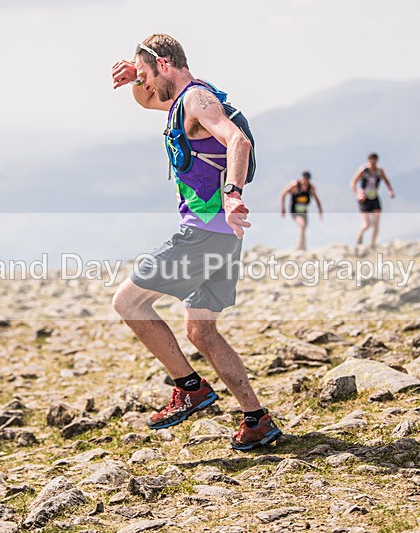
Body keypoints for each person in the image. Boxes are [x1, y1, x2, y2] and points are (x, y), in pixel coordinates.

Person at [110, 34, 281, 451]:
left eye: (148, 75)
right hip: (223, 238)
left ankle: (189, 387)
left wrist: (233, 191)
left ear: (165, 64)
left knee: (128, 302)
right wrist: (135, 77)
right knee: (202, 332)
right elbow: (145, 101)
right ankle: (256, 419)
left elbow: (237, 140)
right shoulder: (180, 98)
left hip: (204, 232)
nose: (145, 86)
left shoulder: (195, 100)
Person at [350, 152, 395, 250]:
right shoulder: (363, 170)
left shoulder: (379, 171)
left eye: (374, 162)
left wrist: (390, 190)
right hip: (364, 198)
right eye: (371, 162)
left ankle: (373, 244)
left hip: (374, 197)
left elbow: (386, 181)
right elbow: (353, 183)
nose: (373, 164)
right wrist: (358, 193)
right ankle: (360, 235)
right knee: (367, 224)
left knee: (376, 223)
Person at [280, 171, 323, 251]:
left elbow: (316, 199)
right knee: (302, 225)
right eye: (304, 180)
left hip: (304, 211)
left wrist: (320, 210)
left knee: (304, 227)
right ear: (302, 178)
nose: (305, 183)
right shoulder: (295, 184)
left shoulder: (311, 187)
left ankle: (303, 246)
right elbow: (283, 193)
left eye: (307, 181)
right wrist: (283, 208)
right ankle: (300, 247)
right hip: (294, 211)